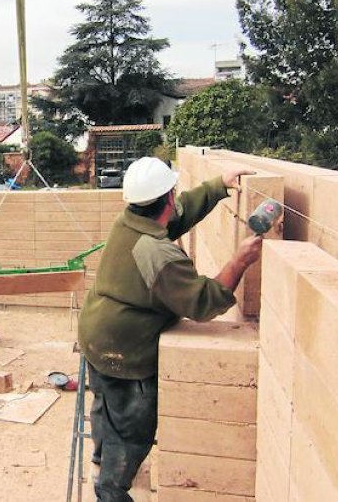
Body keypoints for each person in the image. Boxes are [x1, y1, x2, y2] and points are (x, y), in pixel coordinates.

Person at [77, 157, 264, 502]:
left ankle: (100, 460)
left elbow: (176, 215)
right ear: (166, 196)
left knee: (106, 405)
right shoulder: (159, 256)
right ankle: (109, 489)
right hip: (125, 353)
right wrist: (240, 260)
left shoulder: (130, 221)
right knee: (130, 435)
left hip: (97, 336)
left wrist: (218, 185)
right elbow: (204, 302)